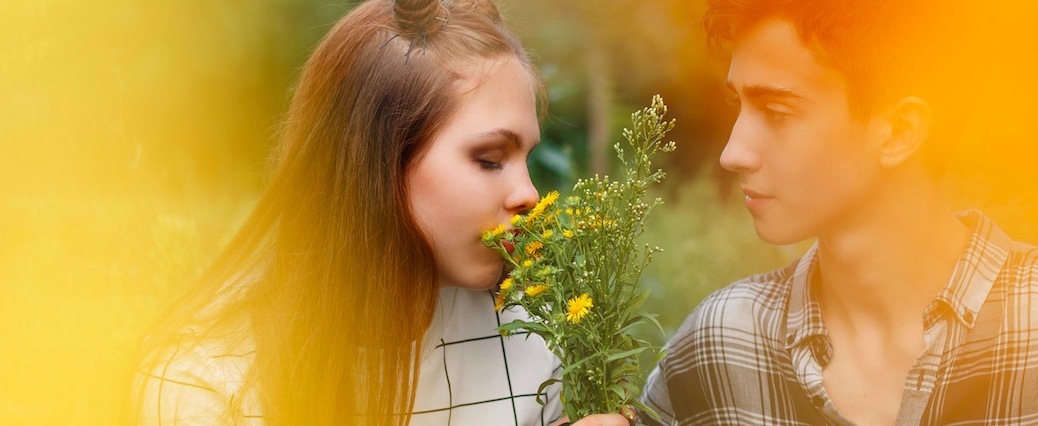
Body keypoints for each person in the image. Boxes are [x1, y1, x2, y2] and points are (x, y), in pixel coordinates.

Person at [131, 1, 620, 424]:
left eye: (526, 160)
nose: (529, 195)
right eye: (489, 159)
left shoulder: (533, 335)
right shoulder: (204, 382)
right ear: (373, 161)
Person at [641, 0, 1038, 424]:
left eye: (776, 112)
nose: (732, 153)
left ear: (899, 133)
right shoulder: (721, 340)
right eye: (738, 105)